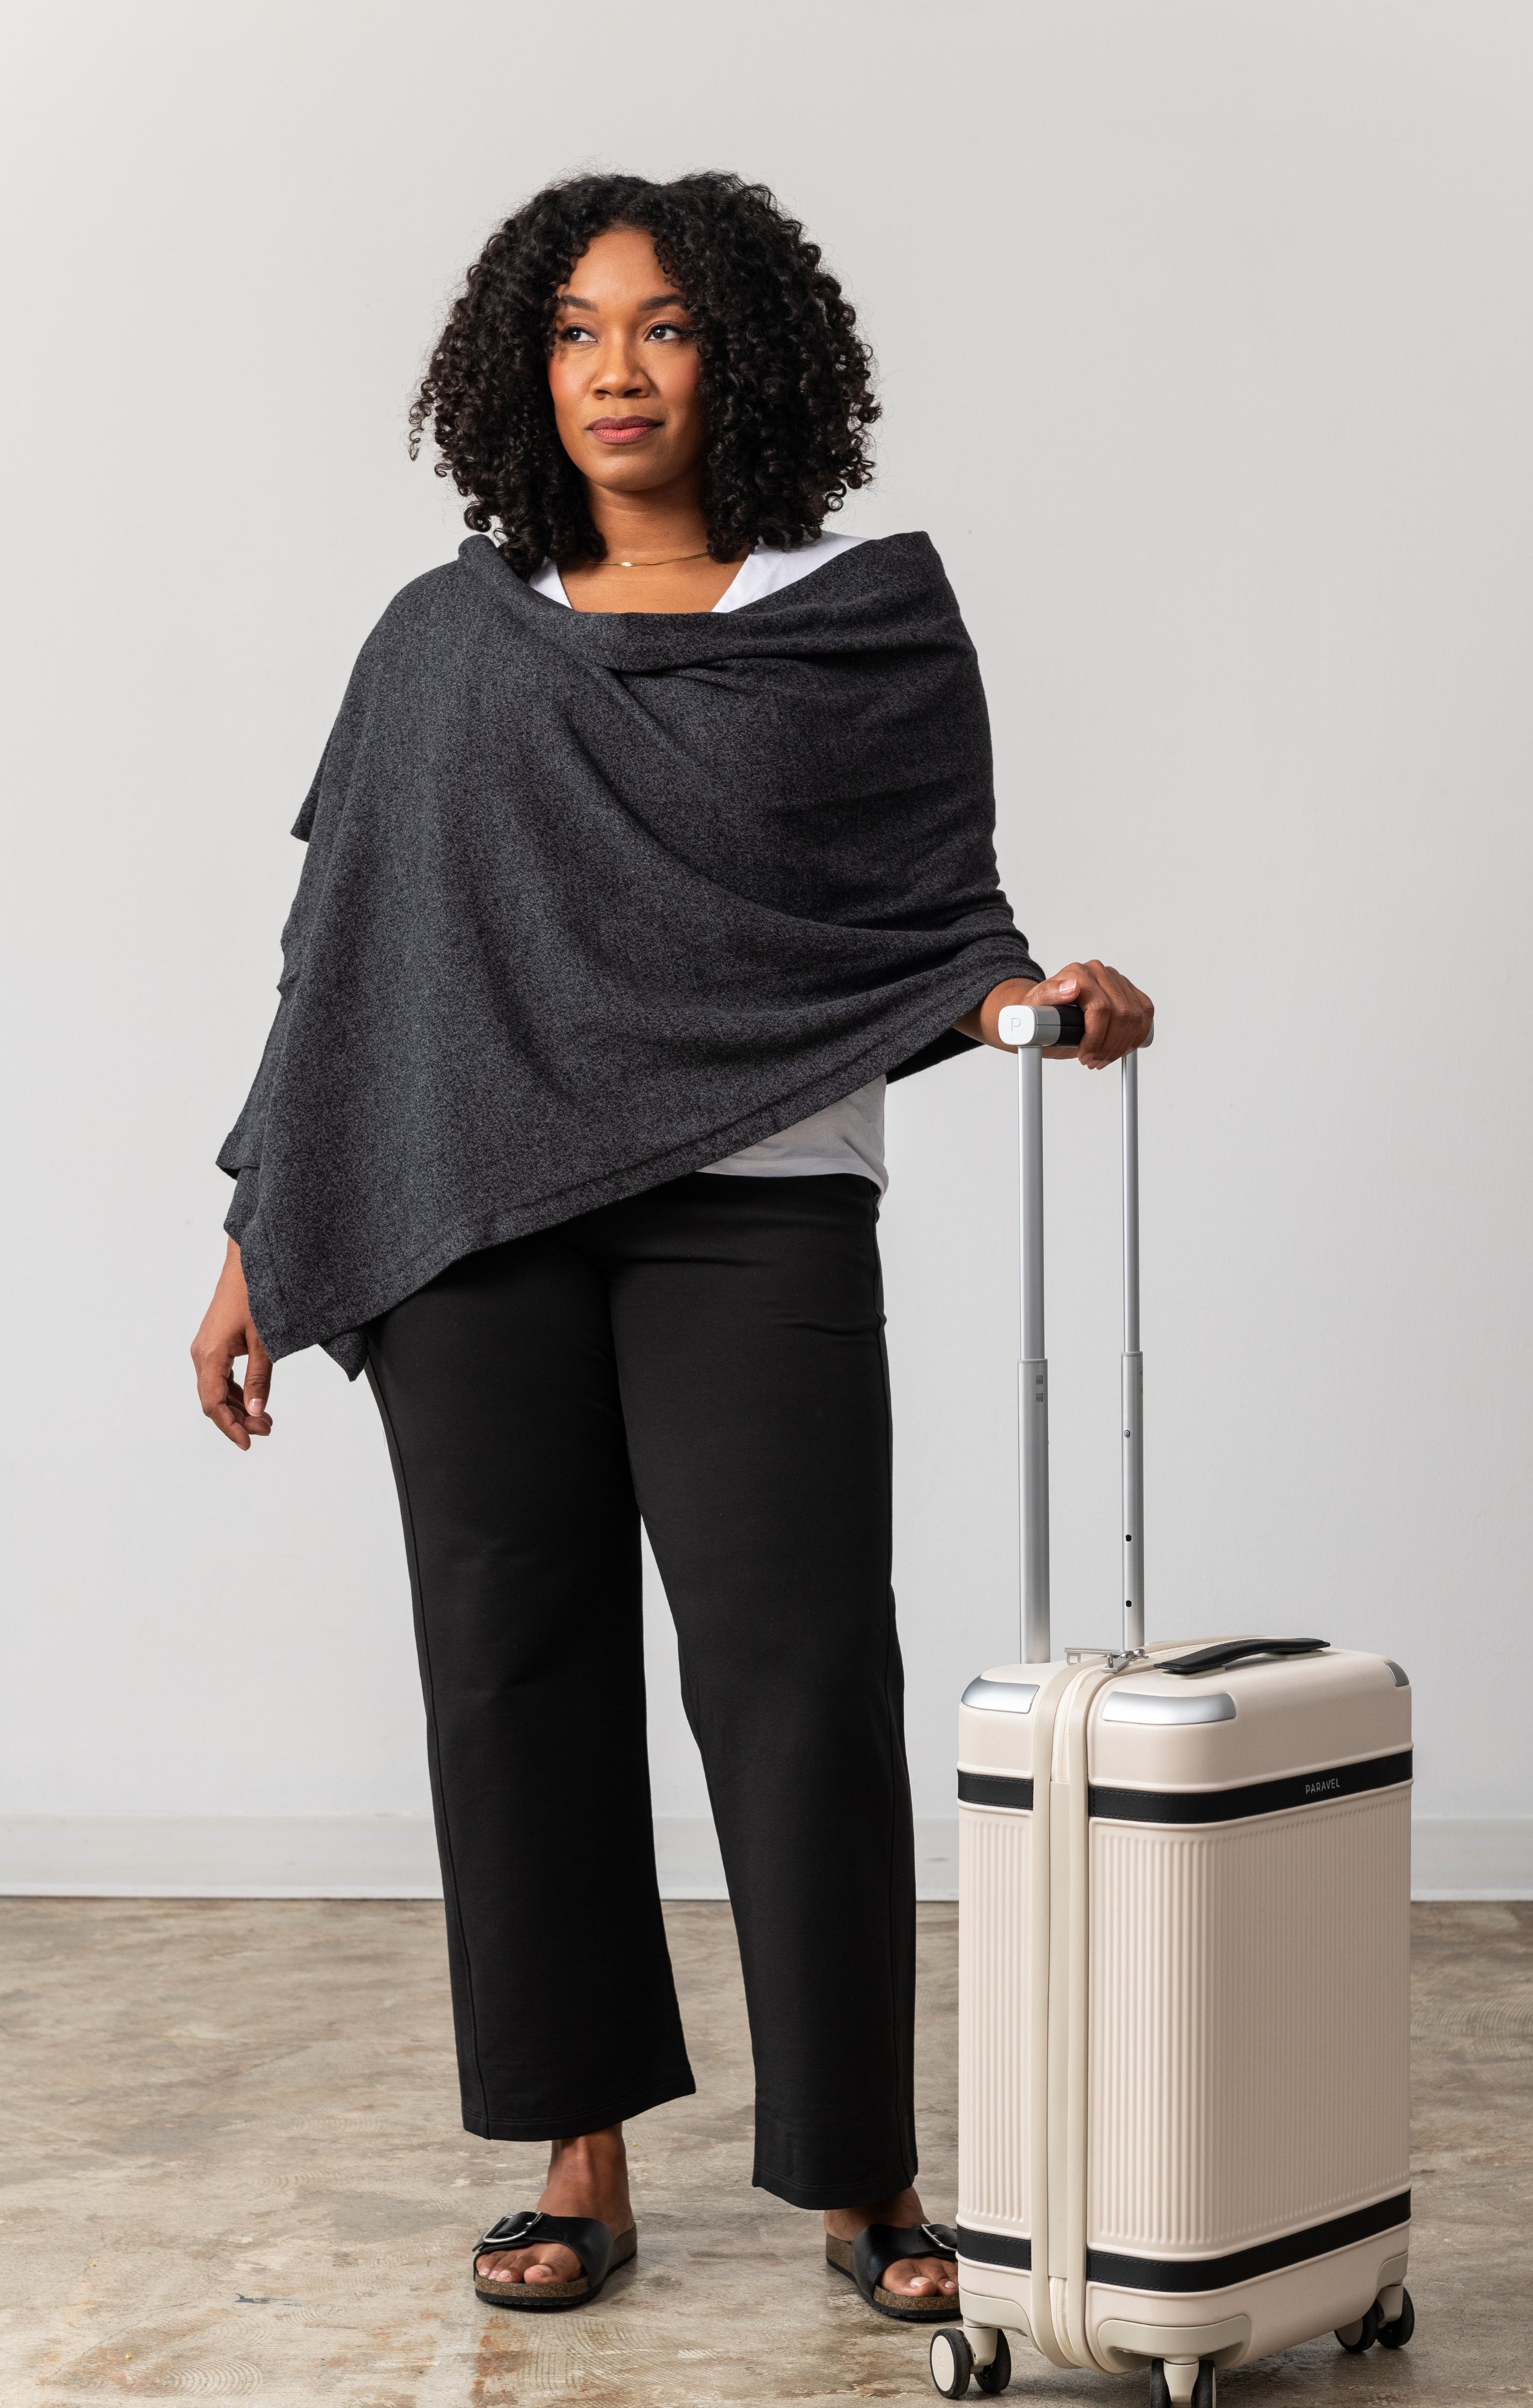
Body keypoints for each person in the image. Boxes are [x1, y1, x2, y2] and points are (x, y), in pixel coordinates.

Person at [191, 171, 1152, 2323]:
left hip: (761, 1206)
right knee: (514, 1679)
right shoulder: (447, 639)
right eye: (576, 332)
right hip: (475, 1214)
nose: (618, 371)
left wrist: (1032, 1008)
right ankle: (578, 2155)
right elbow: (343, 958)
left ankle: (862, 2173)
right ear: (521, 372)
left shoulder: (861, 613)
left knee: (801, 1678)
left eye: (666, 329)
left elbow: (930, 921)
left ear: (749, 356)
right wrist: (265, 1226)